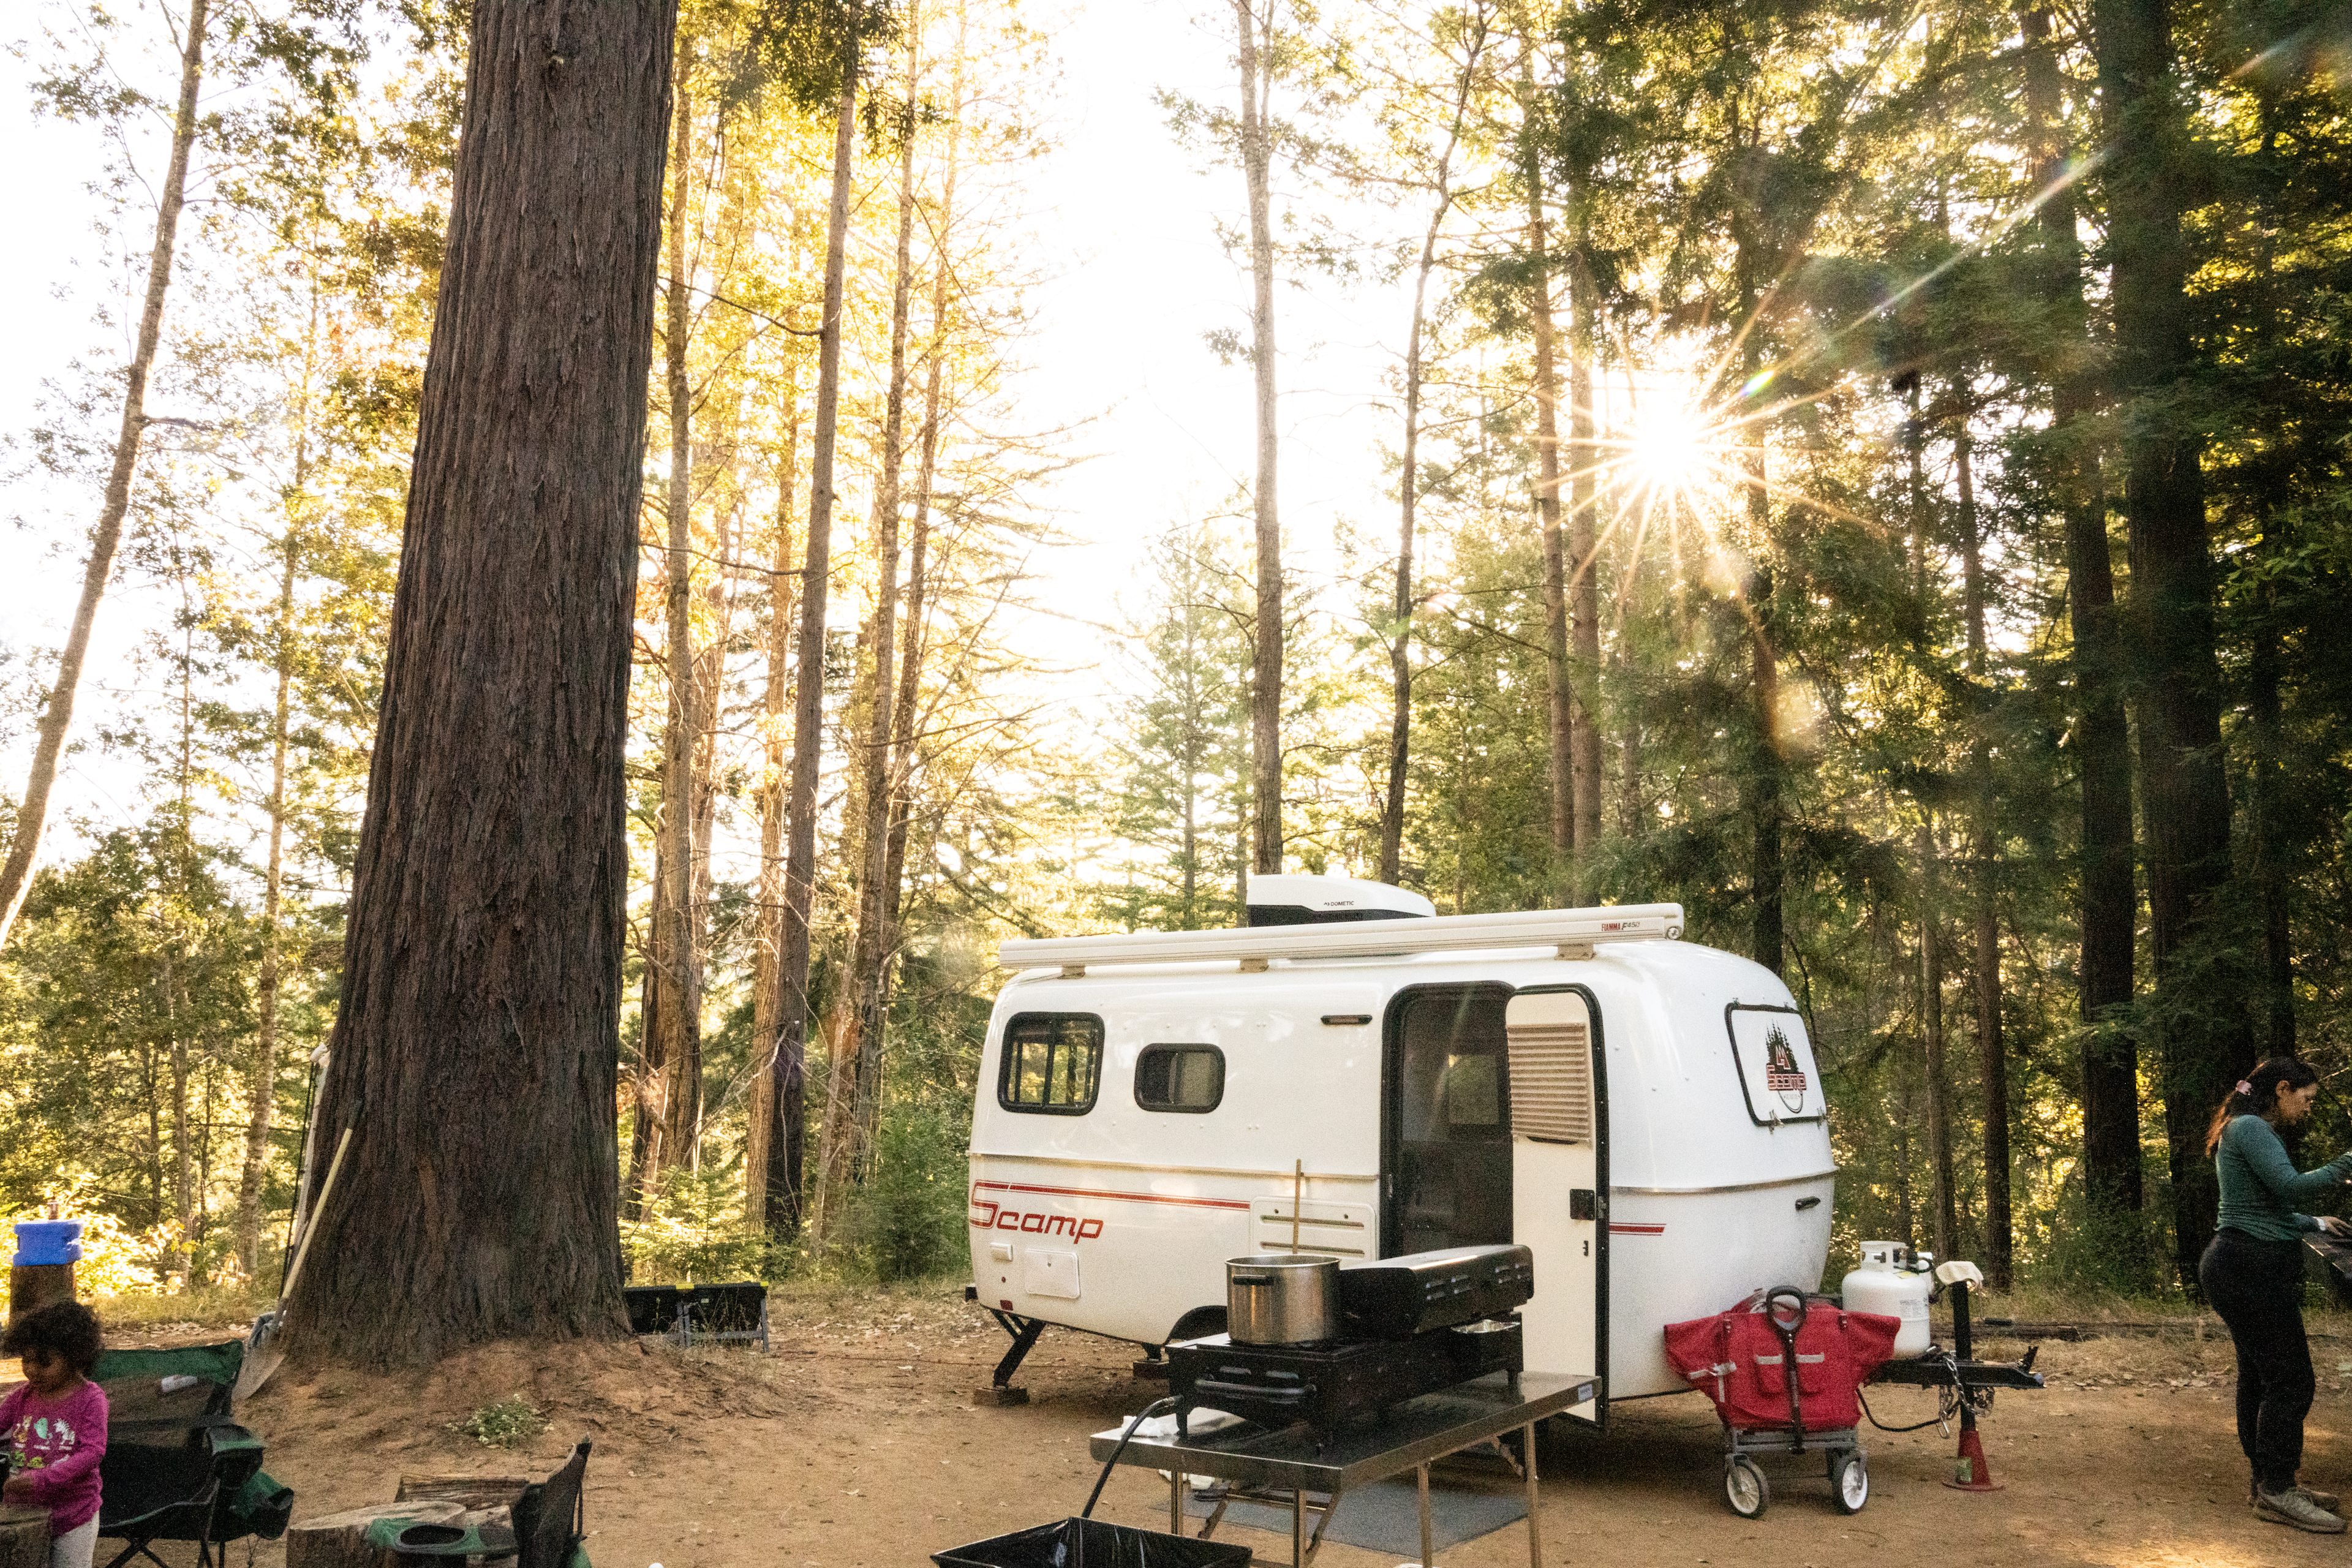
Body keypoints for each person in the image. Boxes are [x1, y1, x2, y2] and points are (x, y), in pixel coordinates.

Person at [2203, 1058, 2352, 1533]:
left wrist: (2313, 1222)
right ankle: (2277, 1489)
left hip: (2240, 1263)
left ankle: (2270, 1480)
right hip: (2246, 1268)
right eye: (2305, 1099)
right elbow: (2289, 1186)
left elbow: (2259, 1206)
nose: (2307, 1108)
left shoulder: (2244, 1128)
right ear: (2283, 1089)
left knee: (2261, 1377)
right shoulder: (2250, 1127)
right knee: (2292, 1380)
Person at [0, 1302, 108, 1568]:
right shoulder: (22, 1397)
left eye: (45, 1362)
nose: (32, 1370)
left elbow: (93, 1453)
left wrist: (43, 1479)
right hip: (21, 1512)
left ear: (75, 1358)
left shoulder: (90, 1399)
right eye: (27, 1360)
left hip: (73, 1516)